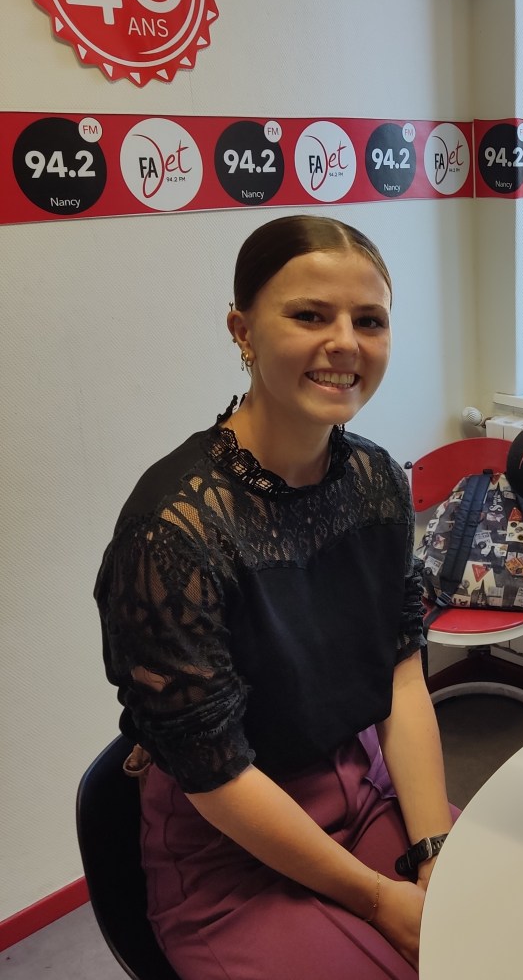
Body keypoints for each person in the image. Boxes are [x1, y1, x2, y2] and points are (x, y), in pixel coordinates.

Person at [95, 214, 455, 978]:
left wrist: (433, 852)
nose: (345, 344)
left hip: (362, 790)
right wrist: (378, 899)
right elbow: (216, 777)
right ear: (242, 330)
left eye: (369, 320)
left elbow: (400, 671)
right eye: (309, 315)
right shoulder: (172, 529)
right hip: (232, 844)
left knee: (500, 926)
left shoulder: (377, 482)